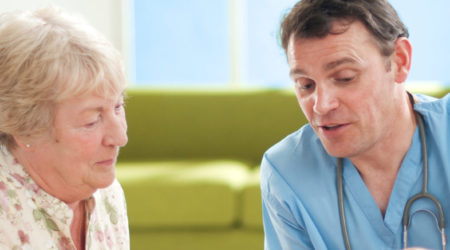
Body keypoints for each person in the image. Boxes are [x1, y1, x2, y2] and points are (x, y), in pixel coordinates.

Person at [260, 0, 450, 249]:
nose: (321, 105)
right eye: (306, 84)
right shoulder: (287, 172)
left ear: (400, 61)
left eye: (344, 78)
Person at [0, 7, 129, 249]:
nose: (120, 137)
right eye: (92, 120)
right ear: (27, 129)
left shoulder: (107, 194)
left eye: (118, 107)